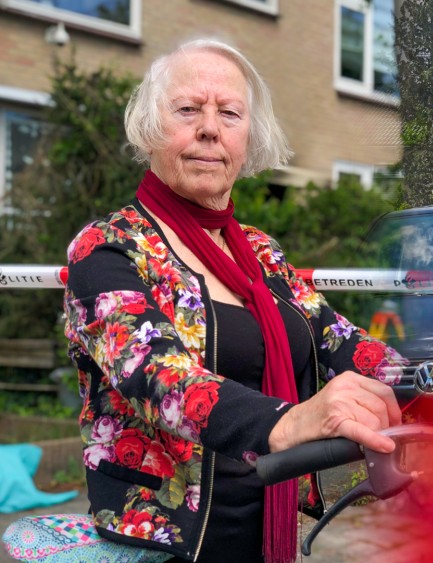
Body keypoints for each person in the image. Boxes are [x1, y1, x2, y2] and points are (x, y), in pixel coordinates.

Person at [62, 40, 404, 563]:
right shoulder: (108, 247)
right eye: (187, 109)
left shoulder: (261, 252)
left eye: (229, 113)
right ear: (150, 127)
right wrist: (290, 421)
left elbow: (335, 338)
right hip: (163, 544)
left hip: (267, 529)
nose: (209, 128)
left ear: (248, 137)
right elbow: (157, 376)